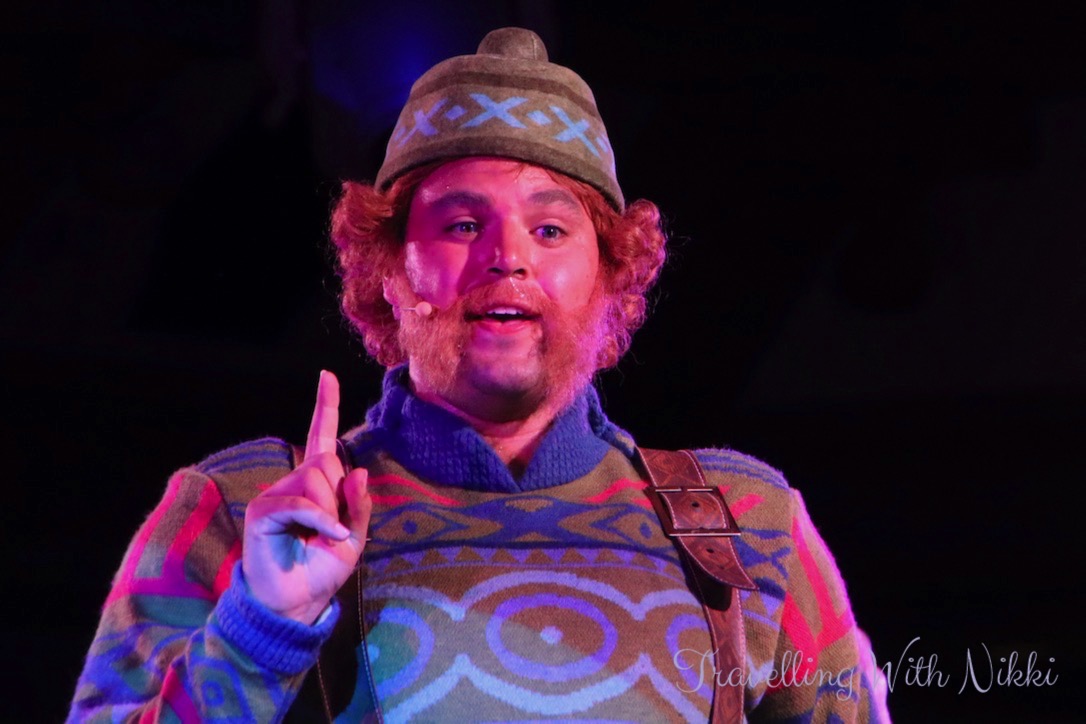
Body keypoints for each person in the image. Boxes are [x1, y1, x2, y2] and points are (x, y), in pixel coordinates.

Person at [68, 27, 889, 723]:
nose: (508, 257)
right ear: (388, 272)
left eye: (552, 229)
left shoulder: (749, 521)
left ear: (612, 278)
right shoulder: (244, 509)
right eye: (463, 224)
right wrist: (260, 626)